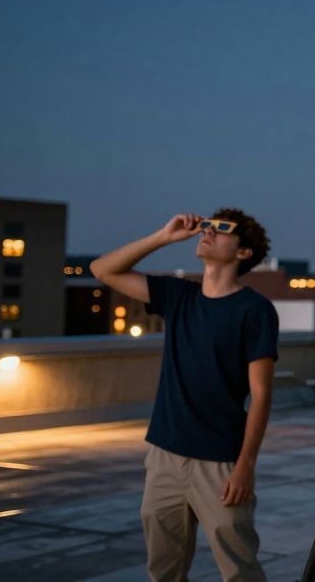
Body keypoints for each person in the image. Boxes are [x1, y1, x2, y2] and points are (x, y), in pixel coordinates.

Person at [91, 210, 278, 582]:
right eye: (207, 226)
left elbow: (261, 395)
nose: (207, 231)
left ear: (243, 253)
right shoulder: (178, 295)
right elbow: (102, 269)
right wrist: (162, 237)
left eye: (222, 229)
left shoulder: (254, 310)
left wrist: (245, 466)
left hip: (221, 464)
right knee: (164, 571)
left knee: (240, 570)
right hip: (165, 455)